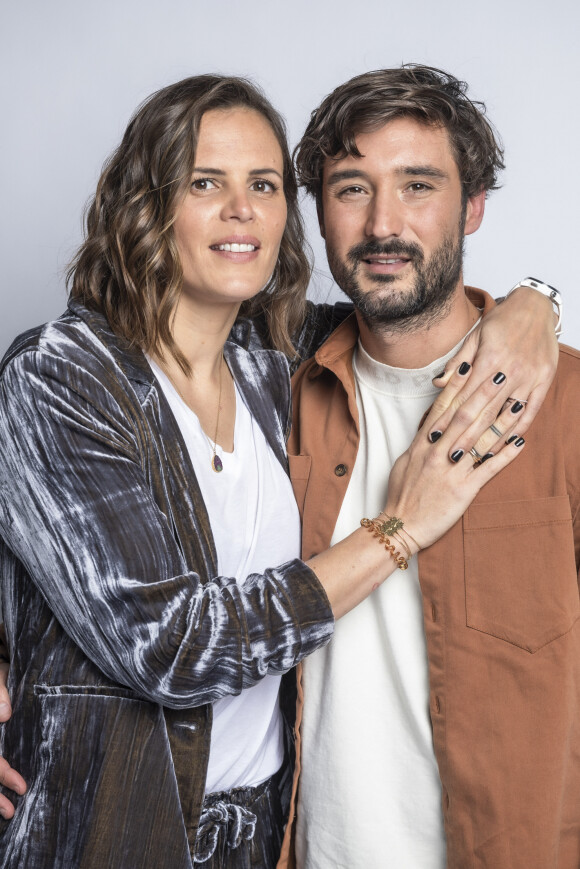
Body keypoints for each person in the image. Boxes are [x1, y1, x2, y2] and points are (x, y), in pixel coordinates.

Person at [0, 72, 559, 868]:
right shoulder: (62, 375)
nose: (242, 209)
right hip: (110, 828)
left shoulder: (276, 362)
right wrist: (399, 528)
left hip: (263, 837)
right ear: (144, 204)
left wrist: (534, 302)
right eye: (204, 183)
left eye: (263, 184)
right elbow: (169, 643)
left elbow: (410, 301)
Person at [278, 64, 580, 869]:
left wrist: (539, 298)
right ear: (317, 210)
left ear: (472, 206)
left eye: (418, 185)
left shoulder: (569, 405)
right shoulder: (272, 390)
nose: (384, 224)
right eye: (351, 188)